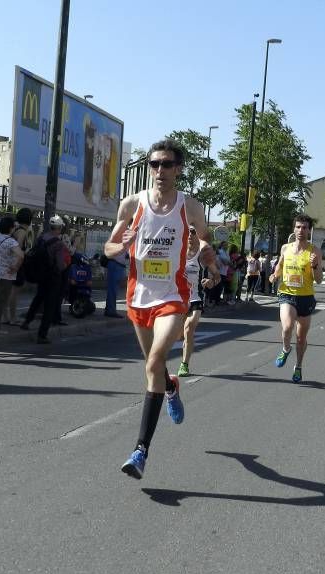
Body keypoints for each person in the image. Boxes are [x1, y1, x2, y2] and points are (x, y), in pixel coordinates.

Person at [106, 139, 218, 479]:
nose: (159, 170)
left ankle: (140, 450)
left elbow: (205, 240)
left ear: (178, 169)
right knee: (153, 367)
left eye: (167, 164)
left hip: (173, 295)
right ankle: (170, 387)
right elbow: (110, 247)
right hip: (138, 296)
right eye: (154, 164)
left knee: (154, 361)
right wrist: (121, 244)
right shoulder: (131, 205)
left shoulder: (192, 207)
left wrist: (209, 260)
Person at [269, 214, 323, 383]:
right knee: (287, 327)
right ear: (294, 229)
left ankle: (298, 366)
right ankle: (285, 349)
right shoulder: (285, 248)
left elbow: (319, 279)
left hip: (305, 297)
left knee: (301, 338)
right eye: (298, 227)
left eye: (305, 227)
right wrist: (275, 275)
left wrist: (314, 265)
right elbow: (280, 265)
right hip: (287, 293)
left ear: (309, 230)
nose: (301, 230)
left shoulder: (314, 251)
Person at [20, 215, 71, 343]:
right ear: (59, 228)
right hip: (53, 277)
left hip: (41, 275)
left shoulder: (41, 238)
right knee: (50, 305)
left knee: (38, 298)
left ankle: (27, 321)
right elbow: (60, 265)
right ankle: (42, 335)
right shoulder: (58, 244)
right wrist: (67, 264)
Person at [178, 225, 220, 377]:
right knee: (179, 334)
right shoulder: (177, 252)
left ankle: (184, 365)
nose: (189, 235)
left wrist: (211, 282)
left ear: (198, 236)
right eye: (187, 232)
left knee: (189, 329)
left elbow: (217, 276)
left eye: (193, 232)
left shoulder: (203, 256)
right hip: (178, 299)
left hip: (196, 298)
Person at [0, 216, 24, 334]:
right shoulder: (11, 241)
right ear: (11, 228)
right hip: (5, 275)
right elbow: (21, 255)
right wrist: (15, 267)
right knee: (0, 301)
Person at [4, 207, 33, 325]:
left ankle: (5, 317)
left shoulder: (16, 229)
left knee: (9, 292)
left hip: (11, 263)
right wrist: (16, 265)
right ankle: (12, 318)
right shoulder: (22, 232)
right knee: (13, 293)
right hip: (17, 265)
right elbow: (18, 248)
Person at [104, 248, 128, 318]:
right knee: (113, 289)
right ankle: (110, 311)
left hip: (118, 265)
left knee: (114, 289)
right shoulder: (118, 239)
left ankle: (109, 309)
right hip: (115, 265)